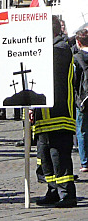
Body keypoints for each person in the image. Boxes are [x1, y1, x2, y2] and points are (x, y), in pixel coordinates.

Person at [34, 15, 77, 208]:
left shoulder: (60, 49)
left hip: (59, 113)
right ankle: (52, 189)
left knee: (59, 155)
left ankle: (67, 194)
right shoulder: (49, 49)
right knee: (45, 155)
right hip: (43, 114)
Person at [73, 28, 88, 173]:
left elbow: (74, 80)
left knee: (82, 130)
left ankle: (85, 162)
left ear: (78, 42)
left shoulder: (77, 57)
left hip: (83, 99)